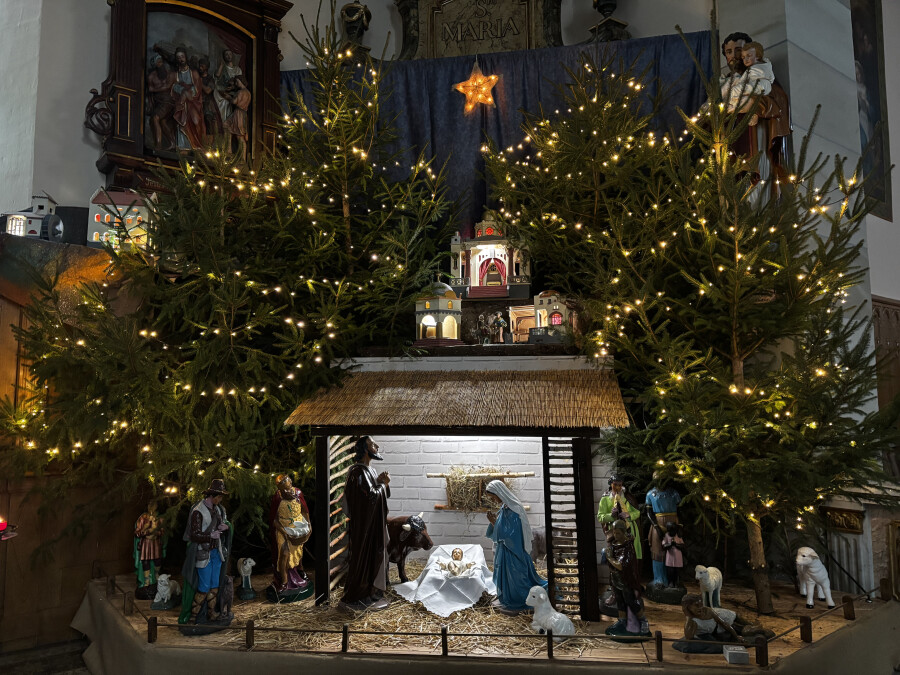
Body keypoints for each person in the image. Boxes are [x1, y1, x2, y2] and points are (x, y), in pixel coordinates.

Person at [342, 436, 391, 608]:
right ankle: (359, 595)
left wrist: (382, 483)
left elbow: (374, 493)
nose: (377, 446)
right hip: (364, 528)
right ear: (364, 449)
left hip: (373, 526)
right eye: (372, 444)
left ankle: (370, 591)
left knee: (374, 557)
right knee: (364, 559)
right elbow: (368, 498)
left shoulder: (371, 471)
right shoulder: (357, 472)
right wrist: (382, 485)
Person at [484, 480, 547, 612]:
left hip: (513, 553)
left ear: (499, 493)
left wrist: (494, 522)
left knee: (516, 580)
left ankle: (520, 599)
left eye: (493, 497)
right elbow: (503, 529)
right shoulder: (505, 508)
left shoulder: (514, 510)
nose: (493, 500)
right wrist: (495, 523)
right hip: (505, 551)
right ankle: (507, 597)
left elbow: (511, 535)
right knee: (506, 579)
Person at [179, 479, 231, 625]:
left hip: (216, 552)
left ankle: (211, 613)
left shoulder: (218, 509)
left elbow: (224, 522)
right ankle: (193, 616)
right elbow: (194, 534)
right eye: (219, 496)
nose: (220, 500)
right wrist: (210, 536)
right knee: (204, 587)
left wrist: (225, 527)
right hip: (203, 553)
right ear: (212, 495)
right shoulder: (198, 511)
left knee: (214, 586)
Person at [605, 519, 650, 635]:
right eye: (614, 533)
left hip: (626, 579)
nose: (616, 535)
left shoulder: (627, 547)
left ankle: (643, 621)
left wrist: (609, 558)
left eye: (618, 533)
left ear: (624, 532)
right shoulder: (614, 545)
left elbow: (621, 565)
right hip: (616, 579)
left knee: (630, 601)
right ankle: (622, 621)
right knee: (619, 600)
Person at [270, 474, 311, 592]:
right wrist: (284, 532)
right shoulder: (278, 497)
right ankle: (284, 581)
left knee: (298, 550)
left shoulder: (298, 493)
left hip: (298, 527)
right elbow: (274, 519)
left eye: (289, 482)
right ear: (280, 488)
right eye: (285, 487)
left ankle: (300, 570)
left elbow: (305, 511)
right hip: (283, 528)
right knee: (284, 553)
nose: (289, 488)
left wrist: (308, 524)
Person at [724, 42, 774, 119]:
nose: (745, 59)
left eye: (749, 56)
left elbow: (745, 83)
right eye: (743, 57)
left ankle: (730, 107)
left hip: (759, 86)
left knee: (737, 92)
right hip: (757, 88)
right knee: (739, 93)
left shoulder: (755, 69)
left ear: (758, 56)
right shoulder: (762, 66)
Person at [597, 475, 642, 559]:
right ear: (611, 484)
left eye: (619, 485)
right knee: (615, 555)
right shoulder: (605, 499)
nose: (617, 487)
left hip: (629, 530)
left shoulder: (627, 497)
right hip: (614, 531)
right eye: (615, 484)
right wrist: (611, 515)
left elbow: (637, 512)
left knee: (630, 555)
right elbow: (600, 517)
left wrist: (628, 514)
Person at [646, 485, 681, 588]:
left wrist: (680, 526)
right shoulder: (650, 494)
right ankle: (659, 578)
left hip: (673, 523)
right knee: (657, 551)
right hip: (658, 523)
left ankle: (673, 580)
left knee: (674, 551)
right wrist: (656, 526)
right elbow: (649, 512)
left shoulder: (674, 493)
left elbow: (680, 510)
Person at [134, 499, 164, 595]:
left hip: (155, 542)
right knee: (145, 561)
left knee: (157, 560)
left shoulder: (159, 518)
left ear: (156, 506)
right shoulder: (143, 518)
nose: (151, 507)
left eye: (153, 505)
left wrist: (155, 532)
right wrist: (147, 529)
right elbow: (137, 533)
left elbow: (162, 532)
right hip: (146, 543)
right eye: (149, 505)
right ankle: (146, 582)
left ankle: (156, 578)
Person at [147, 54, 176, 150]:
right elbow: (150, 89)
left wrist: (156, 89)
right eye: (158, 62)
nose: (161, 64)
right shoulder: (152, 76)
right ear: (155, 65)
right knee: (163, 122)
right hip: (159, 102)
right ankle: (172, 143)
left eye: (161, 61)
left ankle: (158, 144)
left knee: (155, 118)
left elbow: (168, 86)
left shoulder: (170, 74)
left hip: (168, 101)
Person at [223, 75, 251, 164]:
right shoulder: (248, 92)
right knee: (227, 126)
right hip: (242, 114)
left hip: (238, 114)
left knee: (240, 136)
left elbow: (234, 102)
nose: (236, 83)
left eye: (237, 81)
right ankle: (229, 151)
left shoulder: (241, 92)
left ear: (241, 81)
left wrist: (228, 97)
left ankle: (241, 158)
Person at [197, 57, 222, 142]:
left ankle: (209, 142)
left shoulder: (210, 79)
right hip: (197, 102)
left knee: (208, 120)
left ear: (207, 67)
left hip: (208, 103)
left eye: (202, 66)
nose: (200, 68)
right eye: (200, 66)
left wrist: (200, 82)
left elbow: (208, 90)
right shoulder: (196, 76)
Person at [662, 521, 684, 588]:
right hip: (670, 556)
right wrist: (670, 544)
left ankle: (676, 582)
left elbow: (682, 546)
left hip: (677, 556)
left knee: (677, 571)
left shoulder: (678, 535)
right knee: (670, 570)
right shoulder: (666, 535)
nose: (673, 533)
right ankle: (670, 582)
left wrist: (676, 545)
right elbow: (664, 546)